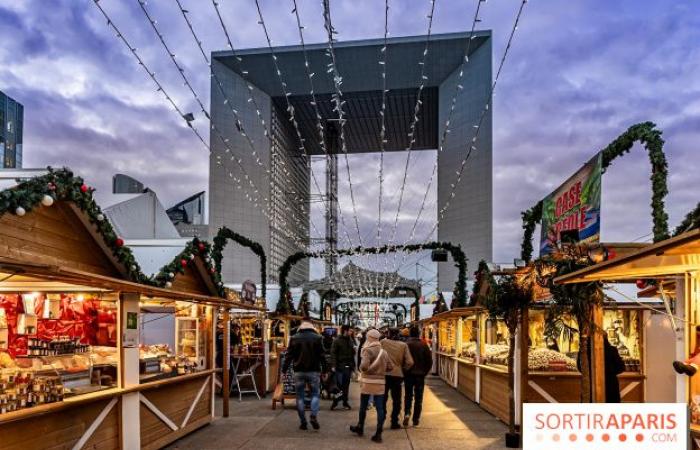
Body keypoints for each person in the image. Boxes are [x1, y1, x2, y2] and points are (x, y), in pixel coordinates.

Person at [282, 320, 327, 430]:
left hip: (298, 371)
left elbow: (288, 356)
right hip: (314, 371)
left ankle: (303, 422)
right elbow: (322, 356)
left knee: (300, 396)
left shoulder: (294, 337)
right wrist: (325, 370)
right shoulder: (318, 338)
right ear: (312, 326)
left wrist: (284, 370)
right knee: (315, 394)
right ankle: (313, 415)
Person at [350, 329, 393, 443]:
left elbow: (364, 366)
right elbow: (390, 367)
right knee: (380, 408)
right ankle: (378, 433)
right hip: (380, 383)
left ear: (369, 338)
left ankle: (360, 427)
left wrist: (363, 369)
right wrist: (380, 369)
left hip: (367, 382)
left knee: (363, 406)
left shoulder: (367, 350)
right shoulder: (384, 352)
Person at [381, 328, 414, 429]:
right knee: (396, 400)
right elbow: (410, 362)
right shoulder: (403, 345)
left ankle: (381, 418)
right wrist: (402, 369)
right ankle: (394, 421)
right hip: (397, 375)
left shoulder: (383, 342)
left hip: (384, 374)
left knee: (383, 398)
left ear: (389, 333)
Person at [403, 326, 433, 427]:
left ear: (410, 333)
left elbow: (403, 360)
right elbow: (429, 361)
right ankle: (416, 419)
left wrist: (404, 371)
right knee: (418, 398)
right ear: (419, 333)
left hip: (408, 374)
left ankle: (407, 413)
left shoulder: (406, 344)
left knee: (408, 396)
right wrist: (424, 372)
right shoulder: (423, 345)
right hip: (420, 375)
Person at [330, 324, 356, 410]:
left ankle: (344, 402)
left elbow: (352, 355)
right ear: (345, 331)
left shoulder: (350, 340)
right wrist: (333, 365)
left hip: (348, 366)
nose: (351, 332)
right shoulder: (337, 340)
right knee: (340, 386)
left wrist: (353, 367)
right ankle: (336, 401)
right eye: (350, 330)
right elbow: (333, 353)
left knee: (346, 385)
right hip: (339, 366)